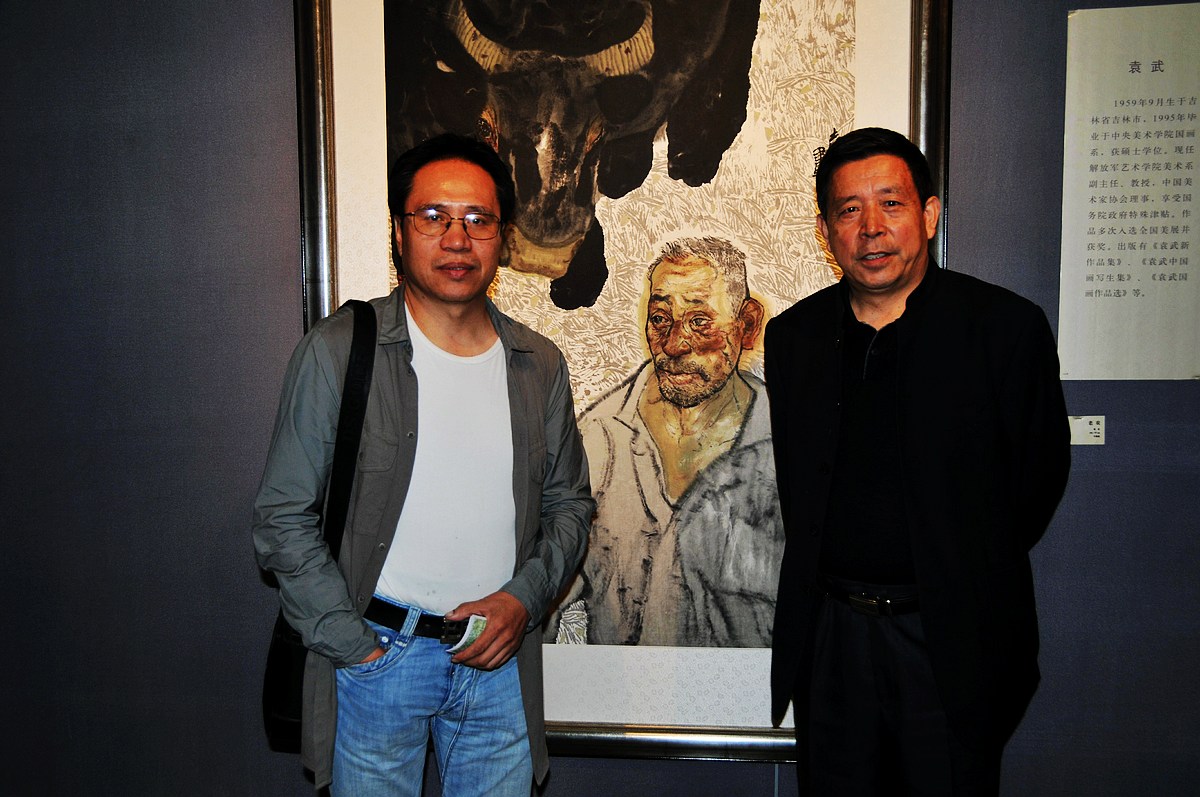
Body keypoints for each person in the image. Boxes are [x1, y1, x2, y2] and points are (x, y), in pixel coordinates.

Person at [252, 133, 594, 796]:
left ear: (503, 237)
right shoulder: (337, 351)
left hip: (497, 663)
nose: (457, 239)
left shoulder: (540, 365)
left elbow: (570, 506)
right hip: (379, 658)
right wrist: (353, 646)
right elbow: (281, 517)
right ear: (399, 232)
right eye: (434, 217)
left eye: (478, 219)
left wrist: (522, 602)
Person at [764, 127, 1070, 795]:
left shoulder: (1004, 329)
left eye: (891, 204)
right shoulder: (794, 338)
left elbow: (1039, 480)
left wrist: (955, 566)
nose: (871, 228)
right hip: (833, 639)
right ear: (826, 229)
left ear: (929, 214)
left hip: (951, 637)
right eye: (849, 209)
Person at [552, 236, 784, 647]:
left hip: (749, 687)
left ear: (747, 325)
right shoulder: (597, 440)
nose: (674, 344)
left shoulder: (786, 444)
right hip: (627, 688)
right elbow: (544, 597)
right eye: (660, 318)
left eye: (699, 321)